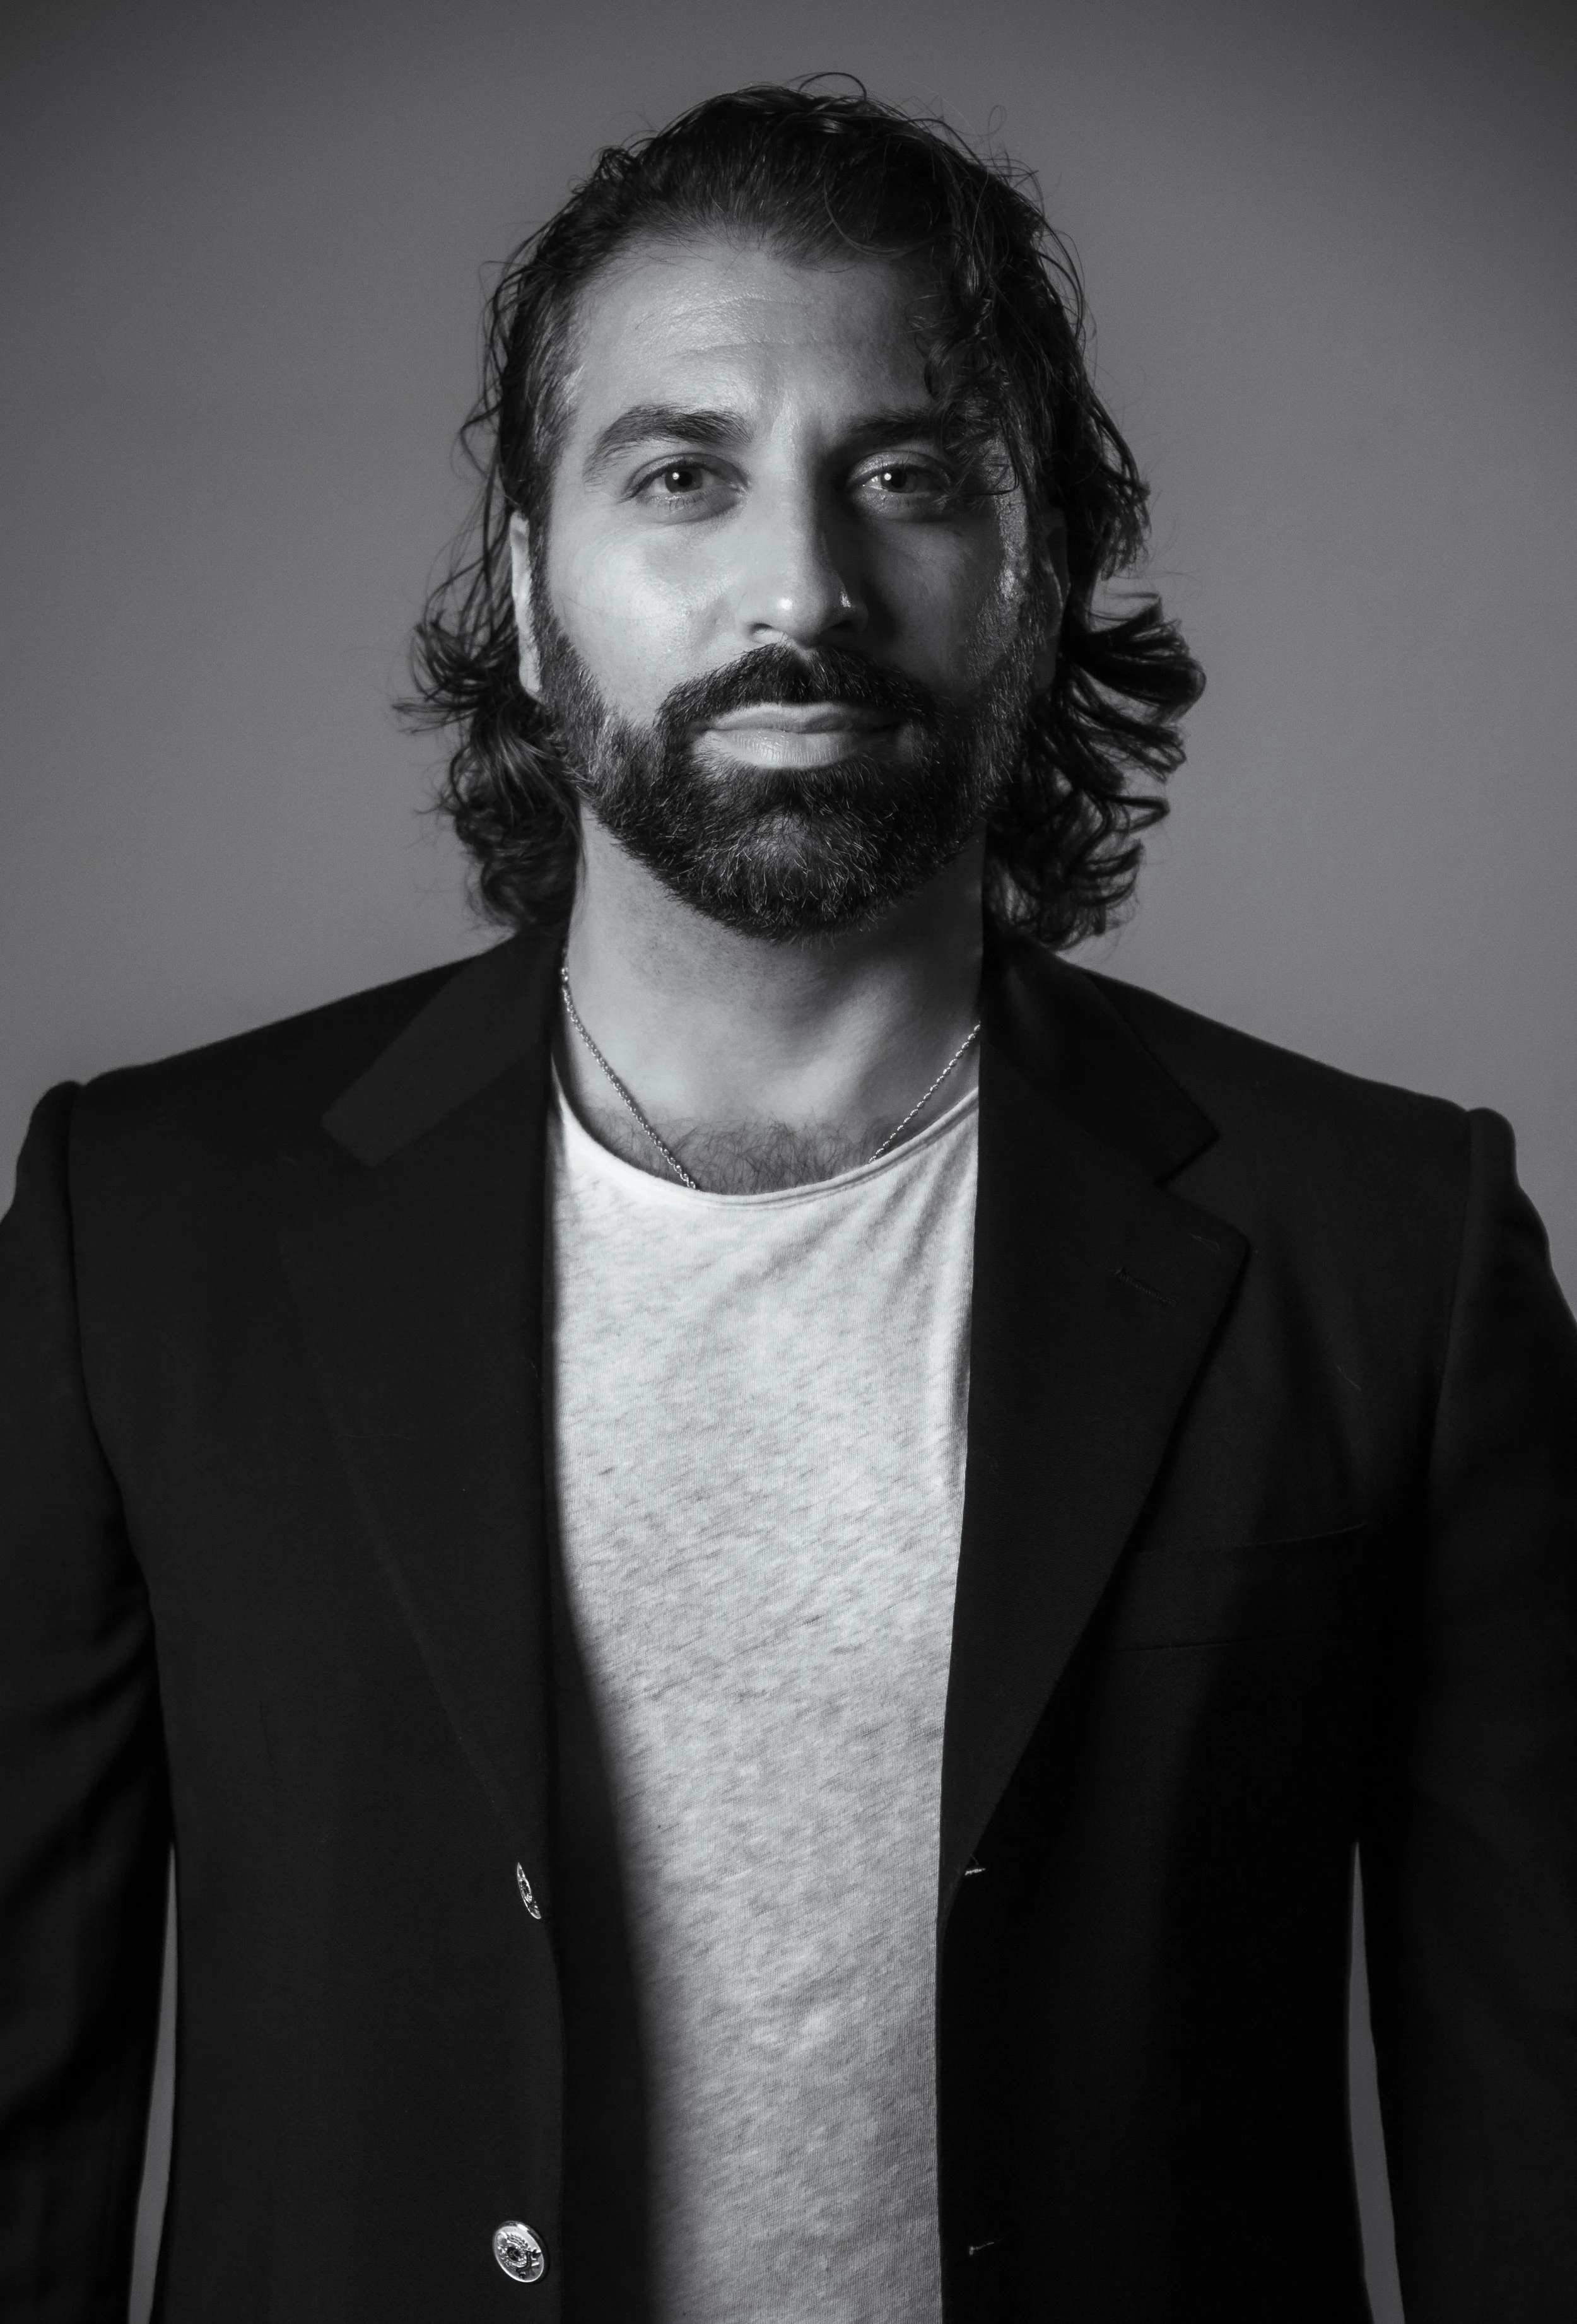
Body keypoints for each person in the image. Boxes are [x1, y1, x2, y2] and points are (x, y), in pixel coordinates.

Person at [1, 79, 1573, 2324]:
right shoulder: (136, 1234)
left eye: (908, 476)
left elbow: (1535, 2142)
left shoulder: (1383, 1251)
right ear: (532, 590)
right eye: (680, 473)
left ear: (1030, 573)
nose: (798, 588)